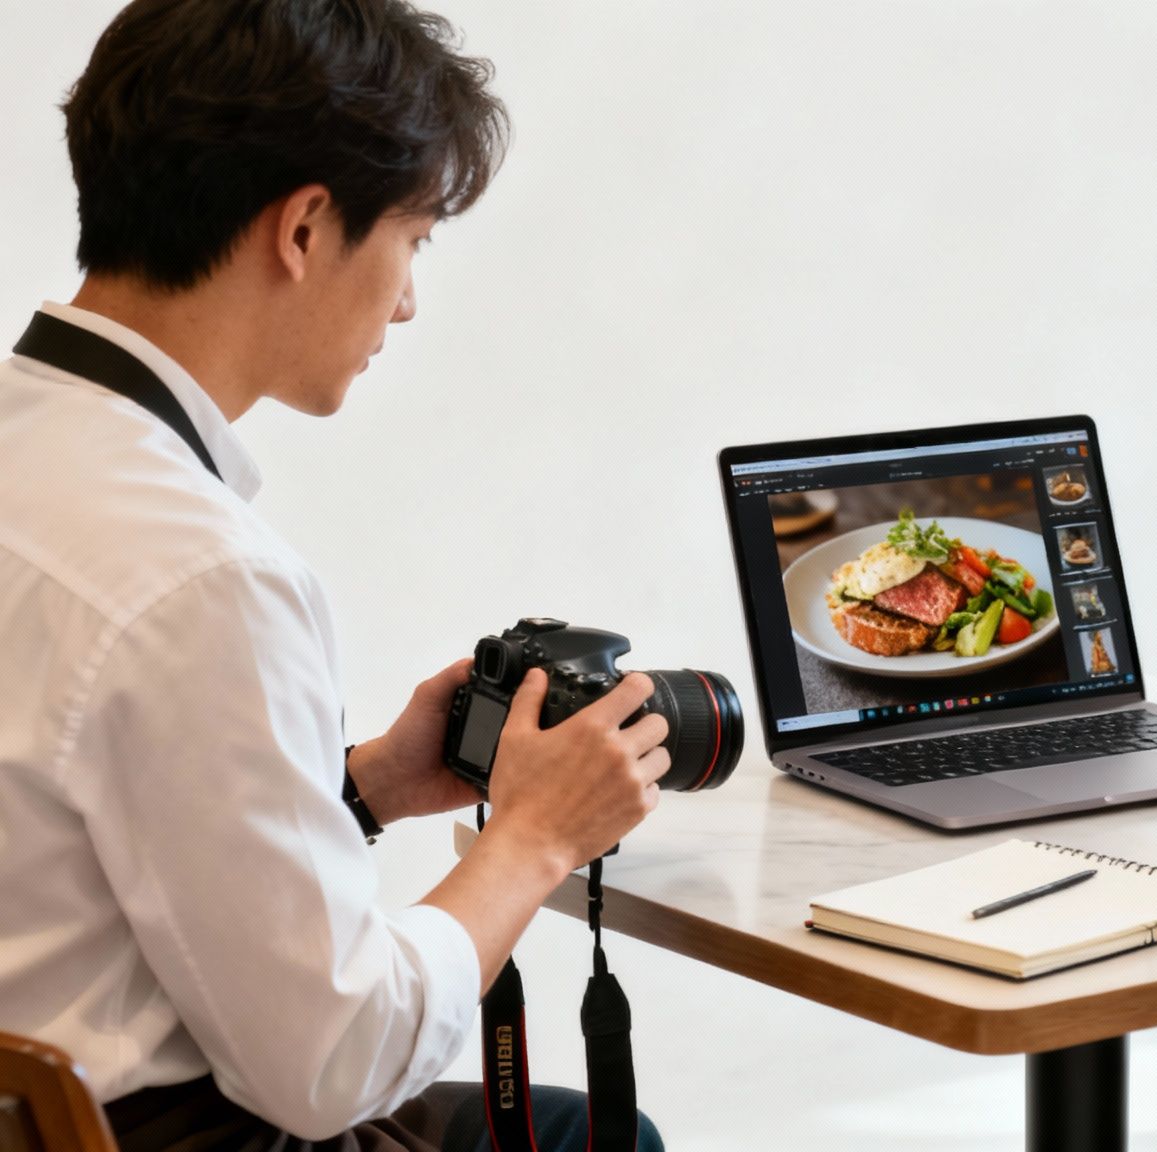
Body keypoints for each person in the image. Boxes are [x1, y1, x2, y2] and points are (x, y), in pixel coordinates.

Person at [0, 2, 668, 1148]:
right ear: (305, 228)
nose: (406, 300)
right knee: (595, 1136)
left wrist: (363, 787)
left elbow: (67, 839)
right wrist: (535, 840)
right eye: (412, 240)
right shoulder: (202, 573)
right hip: (149, 1131)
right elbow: (331, 1063)